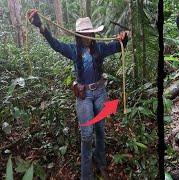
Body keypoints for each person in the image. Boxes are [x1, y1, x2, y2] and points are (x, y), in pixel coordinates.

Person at [28, 9, 128, 179]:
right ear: (78, 35)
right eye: (83, 33)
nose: (87, 36)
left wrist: (124, 39)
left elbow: (117, 46)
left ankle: (101, 163)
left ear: (92, 33)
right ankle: (86, 175)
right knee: (87, 135)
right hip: (84, 96)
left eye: (89, 33)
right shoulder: (74, 50)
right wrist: (41, 27)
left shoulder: (100, 48)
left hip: (100, 93)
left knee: (100, 130)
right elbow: (56, 45)